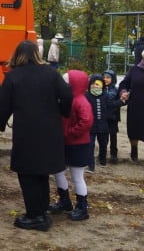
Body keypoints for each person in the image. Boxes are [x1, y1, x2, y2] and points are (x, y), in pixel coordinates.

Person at [0, 40, 73, 232]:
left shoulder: (14, 76)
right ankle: (42, 211)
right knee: (42, 172)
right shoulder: (51, 73)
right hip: (50, 130)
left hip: (27, 132)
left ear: (17, 55)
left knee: (27, 174)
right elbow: (67, 94)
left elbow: (5, 104)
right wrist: (62, 112)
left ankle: (35, 216)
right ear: (37, 54)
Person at [48, 70, 93, 221]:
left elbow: (86, 121)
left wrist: (70, 133)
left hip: (77, 144)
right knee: (58, 172)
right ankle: (64, 200)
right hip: (65, 142)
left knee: (77, 176)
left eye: (66, 82)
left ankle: (82, 207)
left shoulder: (80, 101)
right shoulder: (67, 99)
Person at [86, 74, 110, 172]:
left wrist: (122, 101)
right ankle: (91, 165)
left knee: (103, 144)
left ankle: (102, 160)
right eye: (93, 84)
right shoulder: (86, 96)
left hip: (103, 126)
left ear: (102, 85)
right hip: (91, 126)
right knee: (90, 146)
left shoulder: (105, 95)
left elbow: (111, 105)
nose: (95, 86)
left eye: (98, 84)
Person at [103, 70, 123, 163]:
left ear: (113, 79)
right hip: (103, 117)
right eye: (104, 77)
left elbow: (122, 101)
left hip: (113, 117)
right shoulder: (100, 89)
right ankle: (102, 153)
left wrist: (121, 101)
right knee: (104, 137)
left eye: (108, 77)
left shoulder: (116, 90)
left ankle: (113, 154)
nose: (105, 79)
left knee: (113, 136)